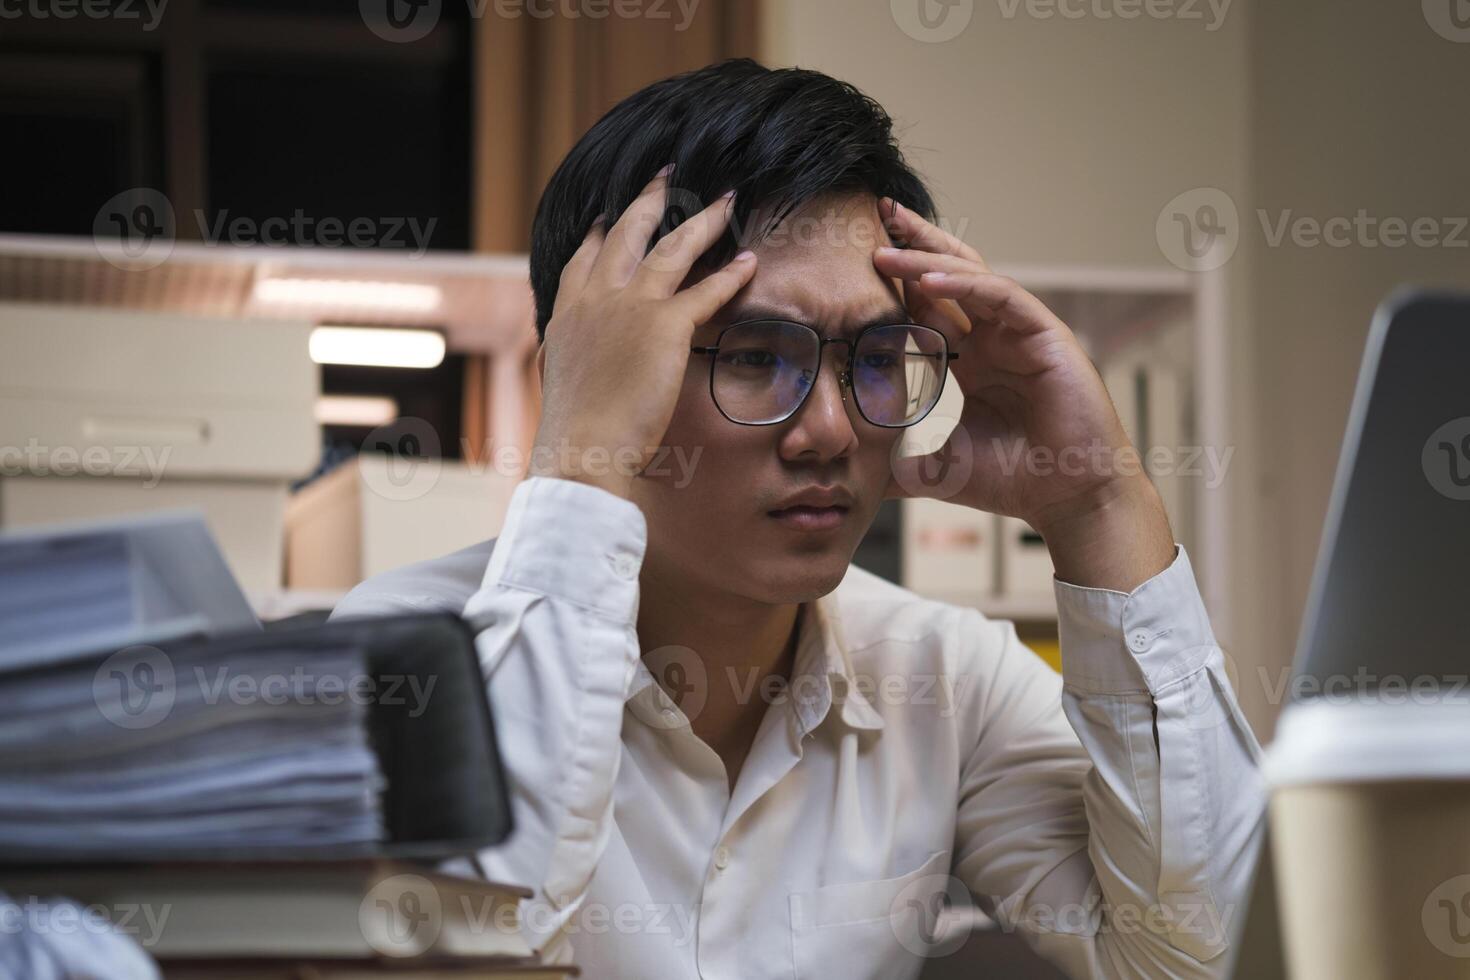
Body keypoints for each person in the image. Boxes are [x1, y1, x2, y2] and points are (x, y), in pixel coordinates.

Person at [334, 58, 1265, 979]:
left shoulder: (943, 677)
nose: (827, 430)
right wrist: (581, 459)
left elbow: (1196, 957)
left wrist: (1097, 500)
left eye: (874, 356)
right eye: (751, 354)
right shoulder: (397, 654)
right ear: (590, 369)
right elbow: (466, 950)